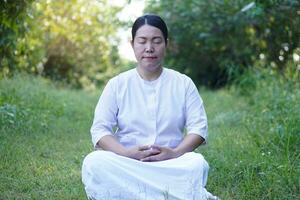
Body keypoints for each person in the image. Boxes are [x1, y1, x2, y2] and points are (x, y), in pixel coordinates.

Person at [82, 14, 218, 200]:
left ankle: (131, 194)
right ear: (132, 44)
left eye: (156, 41)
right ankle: (172, 195)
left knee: (196, 163)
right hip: (127, 163)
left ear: (166, 44)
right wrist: (126, 153)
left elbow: (199, 129)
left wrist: (174, 153)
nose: (149, 48)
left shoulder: (183, 83)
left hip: (171, 163)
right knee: (94, 162)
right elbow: (99, 129)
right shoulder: (117, 84)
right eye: (142, 41)